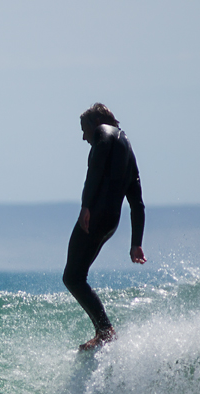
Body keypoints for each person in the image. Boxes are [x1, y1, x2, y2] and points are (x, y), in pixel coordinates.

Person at [65, 103, 146, 351]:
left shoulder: (102, 132)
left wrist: (85, 206)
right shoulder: (127, 147)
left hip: (96, 215)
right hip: (112, 221)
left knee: (72, 277)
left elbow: (95, 169)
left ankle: (105, 331)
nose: (83, 136)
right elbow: (137, 203)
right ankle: (103, 331)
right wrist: (136, 243)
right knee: (77, 277)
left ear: (95, 122)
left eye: (83, 129)